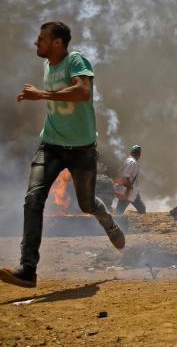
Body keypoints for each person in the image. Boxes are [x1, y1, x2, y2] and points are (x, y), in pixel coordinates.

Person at [1, 22, 124, 288]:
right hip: (51, 145)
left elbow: (82, 91)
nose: (36, 42)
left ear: (57, 43)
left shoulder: (75, 61)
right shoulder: (47, 65)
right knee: (33, 199)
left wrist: (42, 94)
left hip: (81, 150)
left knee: (87, 204)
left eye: (42, 39)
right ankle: (28, 268)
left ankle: (108, 222)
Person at [115, 145, 146, 214]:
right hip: (128, 191)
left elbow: (120, 173)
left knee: (142, 208)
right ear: (139, 154)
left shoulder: (128, 160)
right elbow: (126, 177)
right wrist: (128, 190)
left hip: (133, 191)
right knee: (119, 212)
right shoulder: (132, 162)